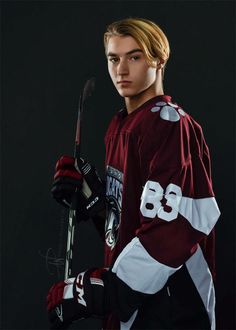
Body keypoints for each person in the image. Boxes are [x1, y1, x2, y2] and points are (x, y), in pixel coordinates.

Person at [46, 18, 221, 330]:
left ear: (159, 59)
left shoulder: (170, 125)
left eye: (135, 57)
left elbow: (177, 227)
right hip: (133, 311)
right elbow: (131, 223)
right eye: (114, 58)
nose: (121, 70)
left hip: (172, 309)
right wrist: (94, 200)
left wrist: (106, 290)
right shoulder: (121, 125)